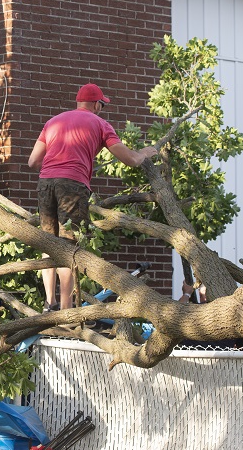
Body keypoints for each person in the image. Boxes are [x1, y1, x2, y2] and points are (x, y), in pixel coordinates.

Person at [29, 83, 158, 312]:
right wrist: (145, 153)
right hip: (72, 186)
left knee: (48, 243)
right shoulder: (100, 124)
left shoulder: (53, 122)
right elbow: (129, 159)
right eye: (102, 104)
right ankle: (67, 310)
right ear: (97, 104)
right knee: (69, 245)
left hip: (45, 182)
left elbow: (33, 162)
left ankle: (49, 304)